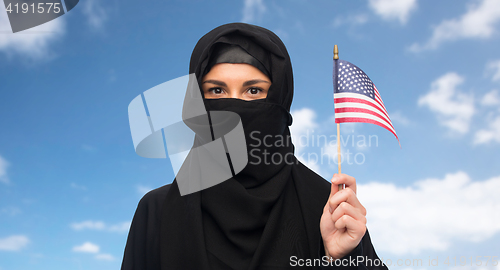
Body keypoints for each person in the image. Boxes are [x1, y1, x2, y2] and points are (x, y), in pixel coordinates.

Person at [121, 23, 388, 270]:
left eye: (253, 91)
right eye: (216, 91)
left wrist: (343, 258)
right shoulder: (157, 212)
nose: (234, 108)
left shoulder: (327, 206)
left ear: (280, 99)